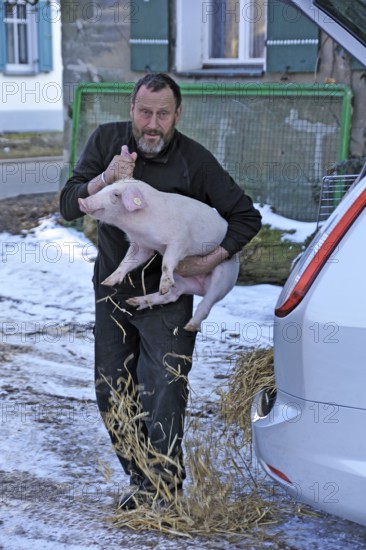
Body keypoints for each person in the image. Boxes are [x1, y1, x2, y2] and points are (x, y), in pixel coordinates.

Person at [59, 73, 262, 510]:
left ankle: (165, 488)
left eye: (163, 114)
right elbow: (67, 203)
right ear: (131, 109)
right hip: (113, 289)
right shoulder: (106, 141)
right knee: (111, 387)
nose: (152, 124)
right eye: (145, 112)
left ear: (177, 114)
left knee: (163, 387)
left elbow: (245, 216)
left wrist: (208, 261)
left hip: (167, 295)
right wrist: (103, 179)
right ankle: (140, 481)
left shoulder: (194, 160)